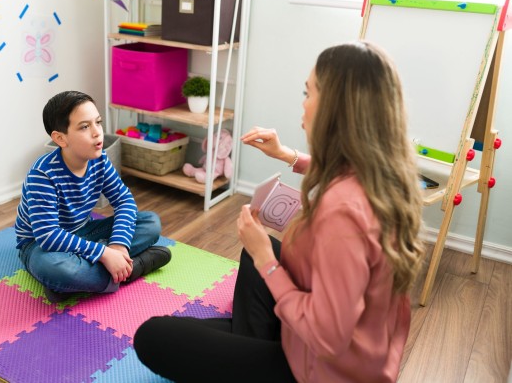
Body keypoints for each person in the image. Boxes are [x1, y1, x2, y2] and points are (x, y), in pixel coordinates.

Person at [133, 41, 425, 382]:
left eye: (308, 92)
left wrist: (265, 259)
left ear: (335, 108)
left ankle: (253, 358)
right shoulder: (384, 171)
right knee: (254, 256)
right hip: (360, 347)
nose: (303, 104)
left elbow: (329, 337)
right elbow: (343, 169)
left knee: (152, 335)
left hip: (324, 368)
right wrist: (288, 155)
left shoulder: (343, 213)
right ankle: (252, 349)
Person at [15, 90, 171, 304]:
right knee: (54, 267)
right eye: (84, 127)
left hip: (84, 233)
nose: (97, 133)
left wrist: (118, 246)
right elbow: (48, 236)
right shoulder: (42, 175)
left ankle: (74, 284)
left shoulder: (100, 160)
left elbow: (124, 201)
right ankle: (132, 268)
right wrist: (104, 254)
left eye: (98, 122)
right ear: (60, 138)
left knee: (150, 222)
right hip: (40, 246)